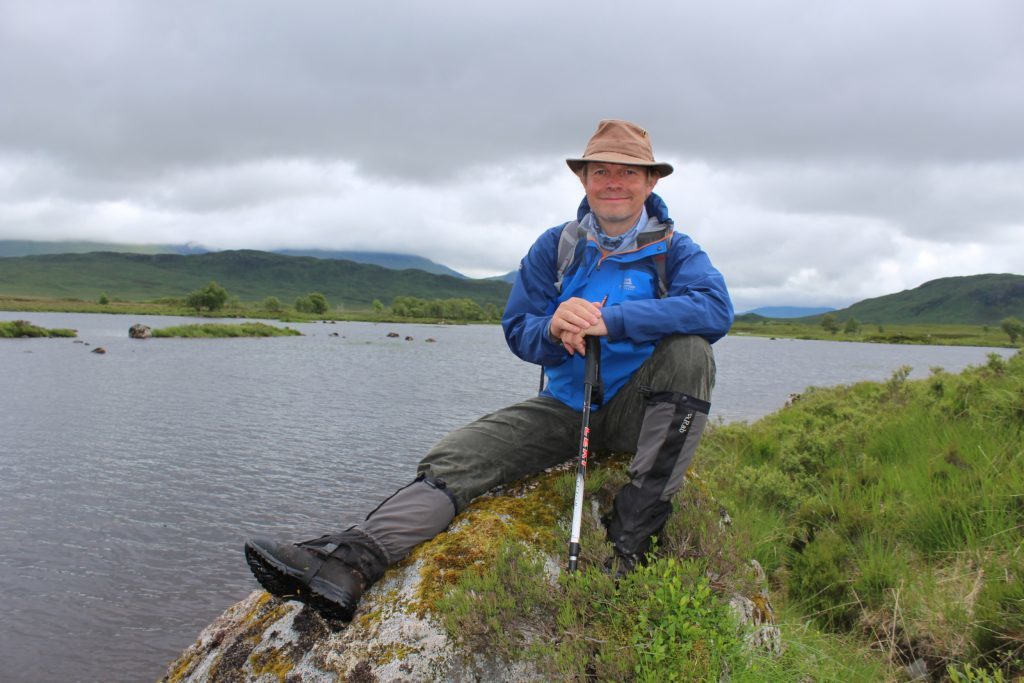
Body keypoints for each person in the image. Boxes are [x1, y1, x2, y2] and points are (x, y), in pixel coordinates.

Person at [244, 119, 734, 621]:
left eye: (628, 172)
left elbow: (716, 310)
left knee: (691, 350)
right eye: (600, 170)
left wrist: (614, 320)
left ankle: (631, 545)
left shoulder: (677, 251)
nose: (613, 181)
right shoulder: (557, 247)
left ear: (651, 182)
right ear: (584, 179)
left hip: (643, 413)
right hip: (567, 406)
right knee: (463, 454)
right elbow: (519, 326)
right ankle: (348, 564)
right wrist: (552, 329)